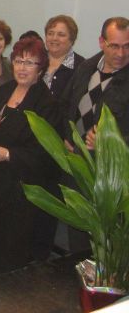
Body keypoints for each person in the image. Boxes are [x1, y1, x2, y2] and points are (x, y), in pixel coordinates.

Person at [0, 37, 61, 278]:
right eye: (18, 61)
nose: (22, 68)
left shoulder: (46, 103)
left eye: (30, 63)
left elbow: (48, 152)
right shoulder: (5, 90)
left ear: (41, 68)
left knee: (14, 243)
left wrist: (11, 154)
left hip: (22, 186)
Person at [62, 17, 129, 252]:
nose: (121, 53)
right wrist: (66, 136)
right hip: (78, 163)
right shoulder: (87, 67)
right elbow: (68, 104)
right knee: (78, 229)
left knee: (105, 237)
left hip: (110, 173)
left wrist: (110, 142)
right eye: (114, 45)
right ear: (102, 42)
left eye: (127, 46)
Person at [43, 15, 84, 98]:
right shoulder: (36, 60)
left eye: (61, 35)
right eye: (50, 33)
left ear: (72, 39)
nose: (54, 38)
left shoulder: (82, 66)